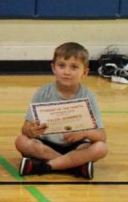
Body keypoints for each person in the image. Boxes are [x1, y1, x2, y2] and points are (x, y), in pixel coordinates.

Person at [17, 42, 108, 179]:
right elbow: (25, 130)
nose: (66, 72)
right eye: (61, 66)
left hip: (77, 146)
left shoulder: (88, 96)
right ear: (53, 68)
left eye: (74, 67)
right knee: (21, 141)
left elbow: (102, 136)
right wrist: (31, 130)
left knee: (101, 148)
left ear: (85, 72)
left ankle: (45, 167)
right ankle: (74, 166)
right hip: (46, 144)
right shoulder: (42, 93)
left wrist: (84, 132)